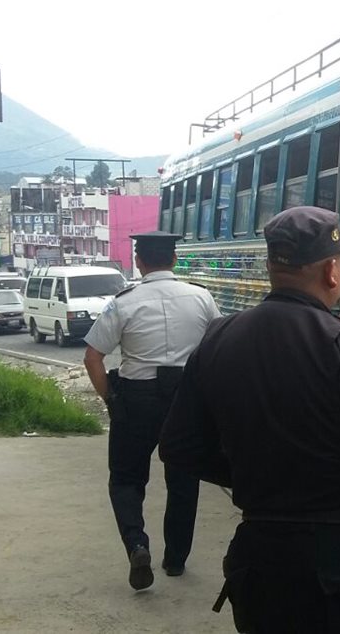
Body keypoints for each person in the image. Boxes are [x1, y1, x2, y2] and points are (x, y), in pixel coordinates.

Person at [160, 206, 340, 634]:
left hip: (257, 566)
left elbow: (179, 446)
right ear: (331, 272)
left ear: (270, 267)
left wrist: (253, 473)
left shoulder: (219, 339)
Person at [83, 231, 222, 591]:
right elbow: (218, 348)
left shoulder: (123, 303)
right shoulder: (202, 298)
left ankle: (137, 545)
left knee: (126, 479)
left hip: (137, 398)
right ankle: (175, 560)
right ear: (174, 259)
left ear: (139, 261)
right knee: (184, 478)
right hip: (186, 399)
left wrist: (112, 400)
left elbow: (93, 357)